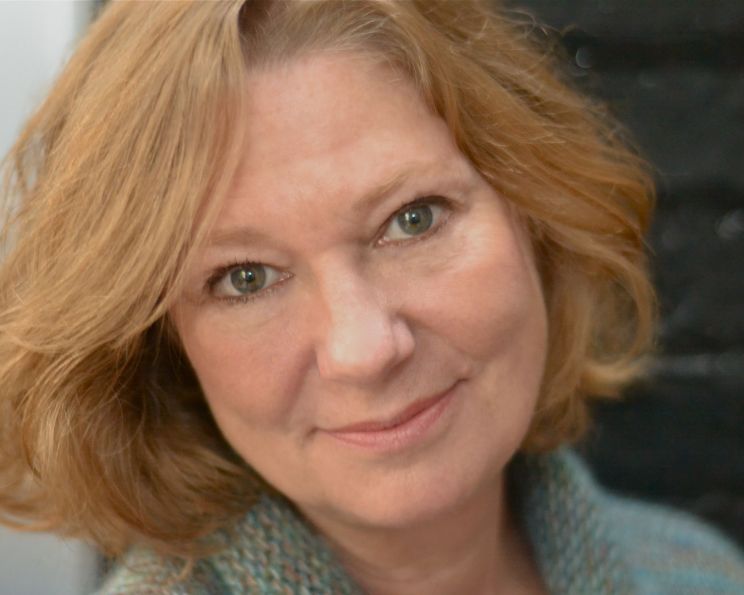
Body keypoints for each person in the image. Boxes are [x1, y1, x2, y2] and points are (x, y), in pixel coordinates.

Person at [0, 1, 742, 593]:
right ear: (161, 344)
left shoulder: (696, 571)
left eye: (412, 220)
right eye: (245, 277)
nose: (364, 349)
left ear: (533, 209)